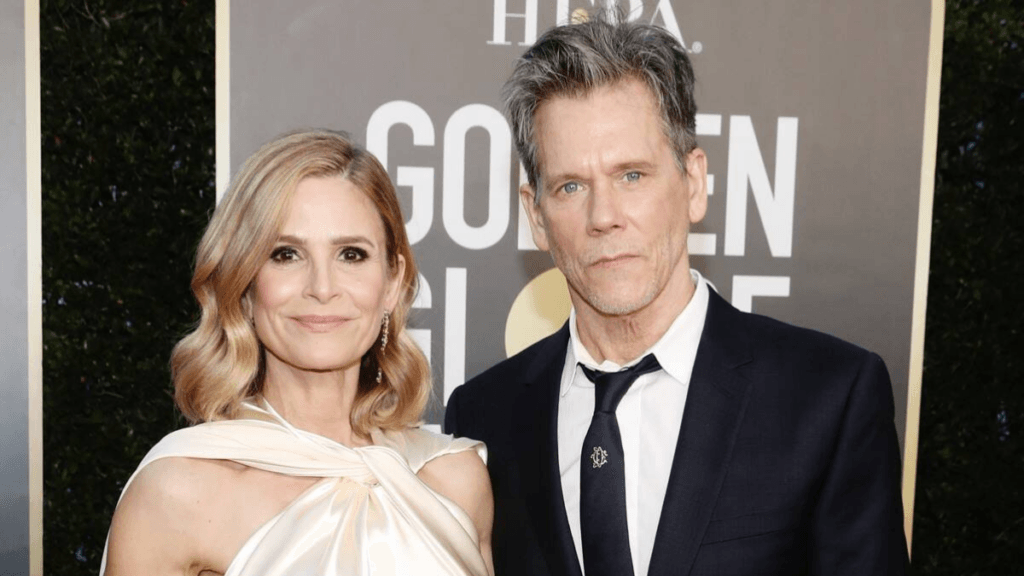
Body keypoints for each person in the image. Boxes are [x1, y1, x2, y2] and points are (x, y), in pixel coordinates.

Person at [444, 14, 907, 576]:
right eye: (571, 186)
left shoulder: (828, 398)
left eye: (632, 175)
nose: (604, 217)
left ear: (693, 183)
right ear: (535, 217)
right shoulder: (483, 418)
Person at [101, 130, 493, 576]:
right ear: (244, 286)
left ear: (393, 283)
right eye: (286, 254)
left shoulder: (455, 481)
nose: (322, 288)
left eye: (351, 254)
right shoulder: (177, 494)